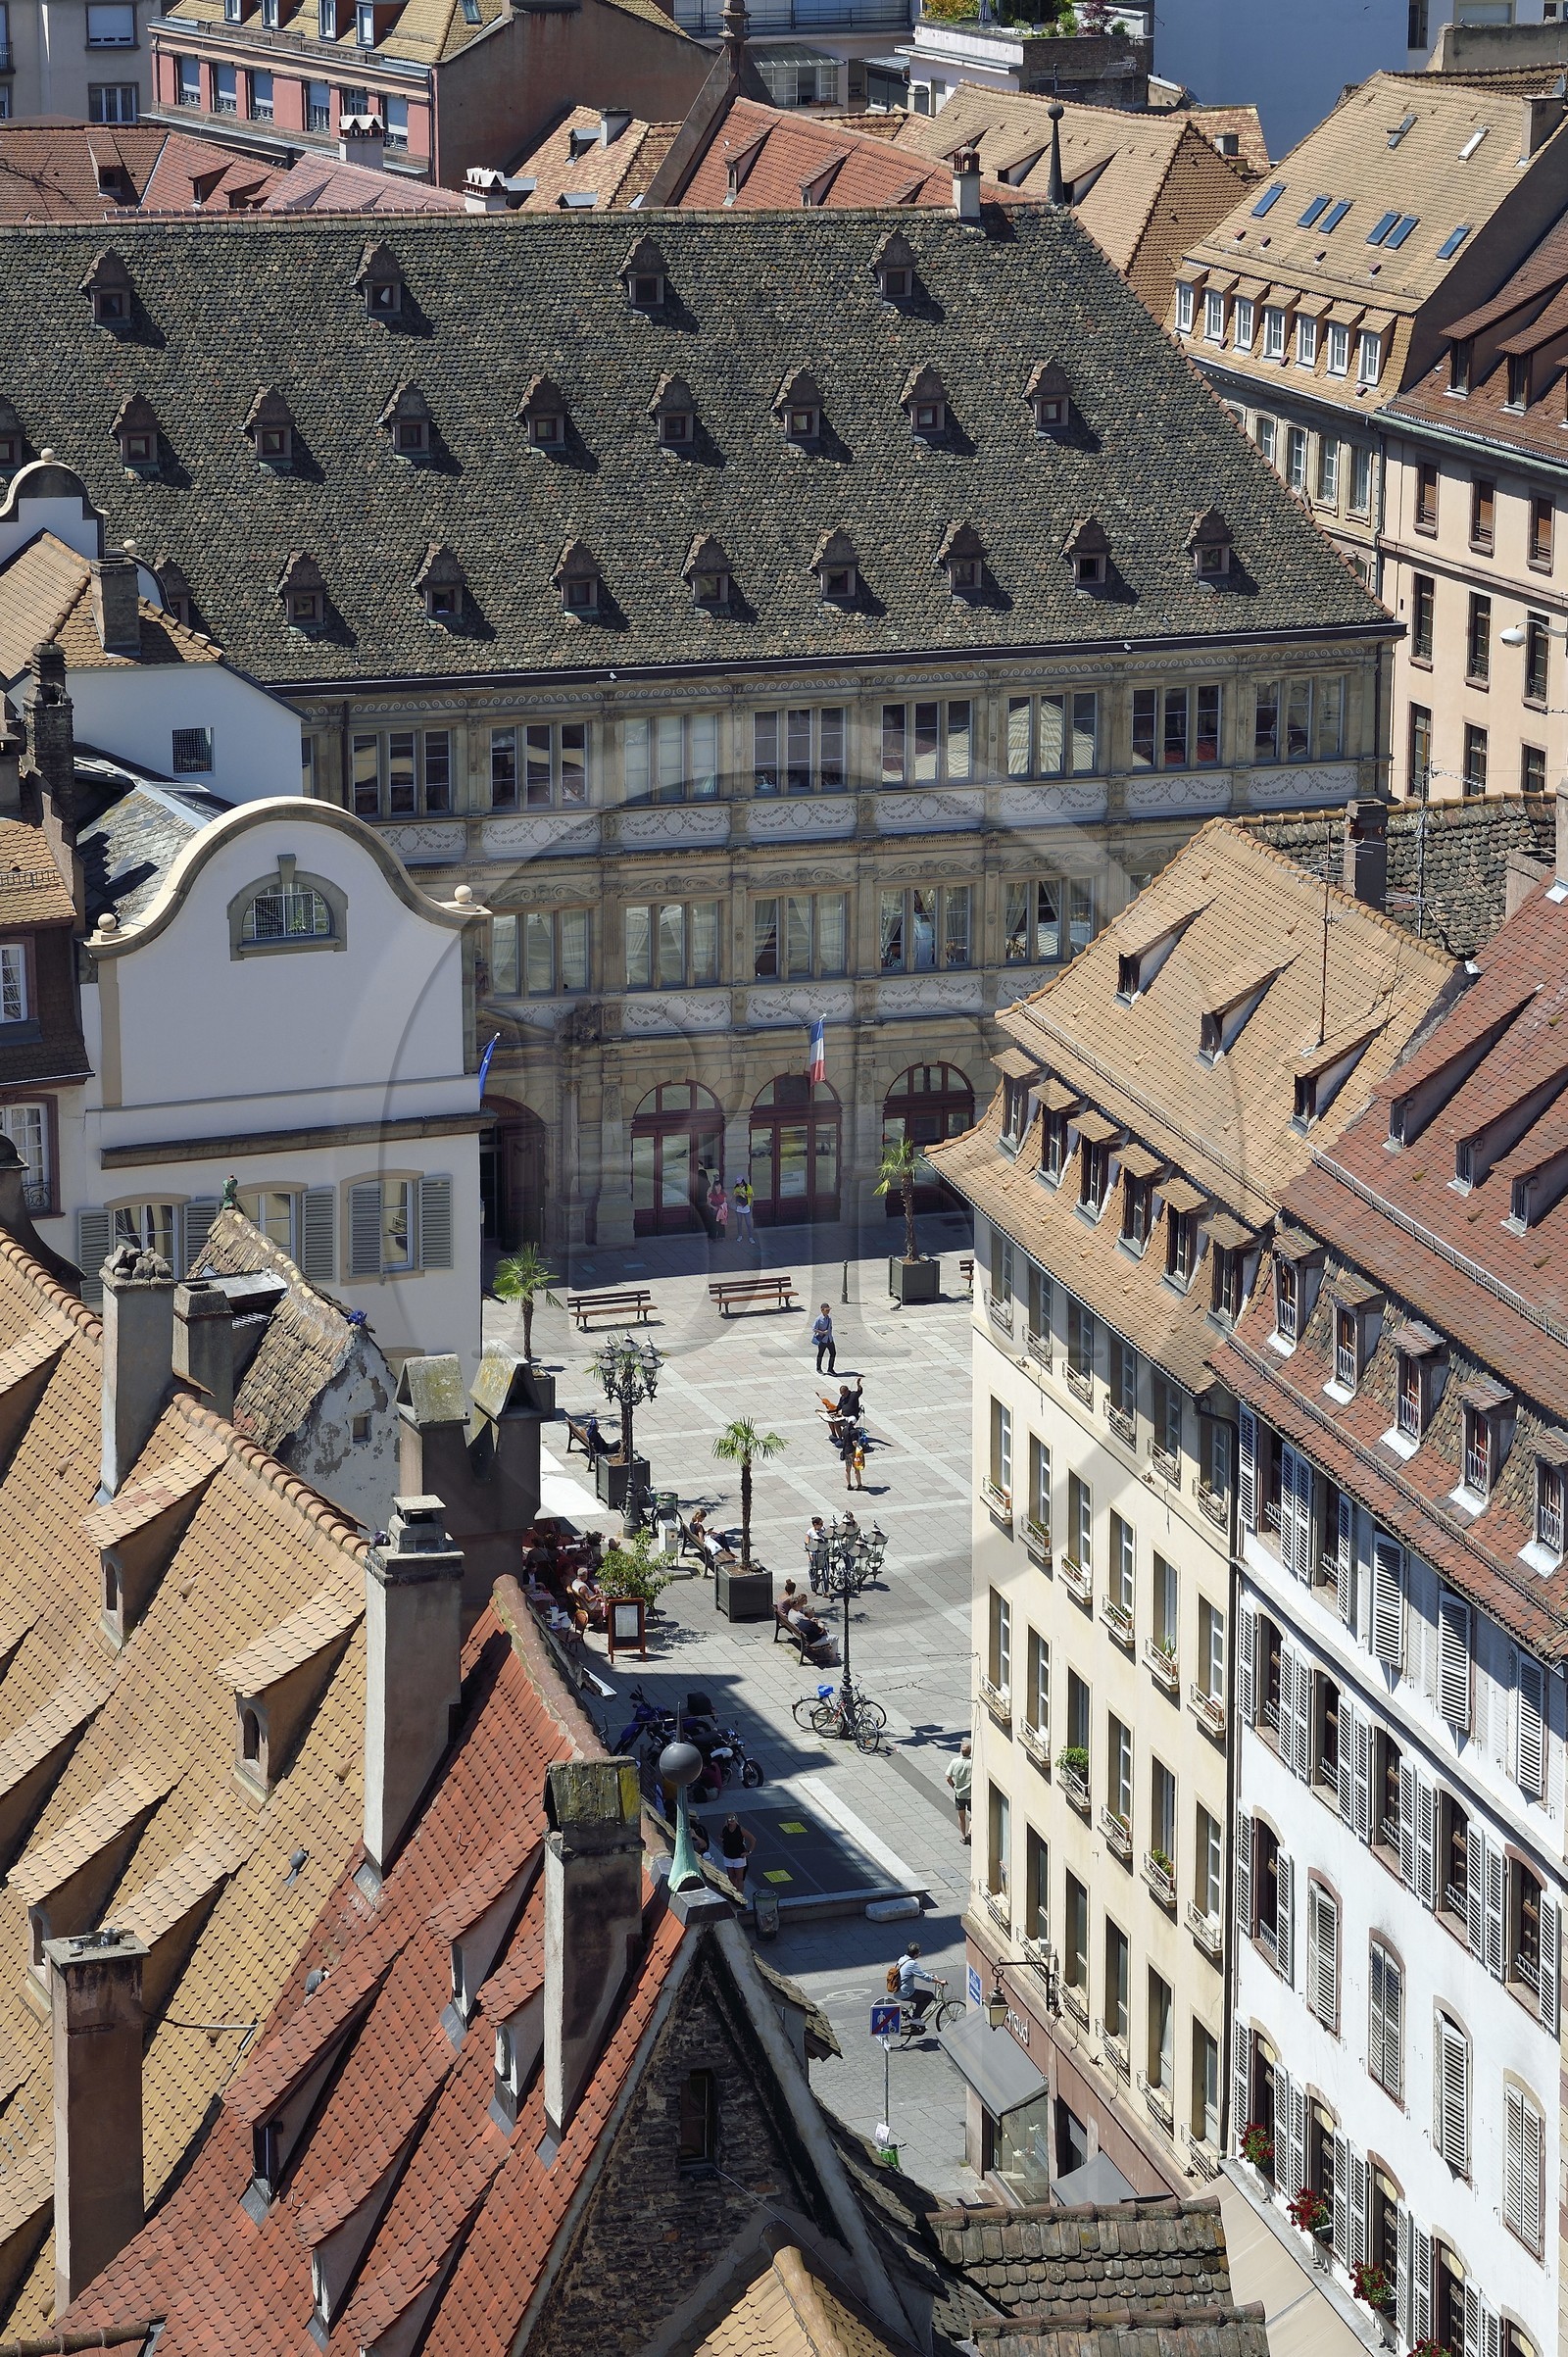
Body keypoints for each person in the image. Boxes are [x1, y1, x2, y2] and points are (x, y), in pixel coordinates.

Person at [896, 1940, 935, 2024]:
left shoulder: (902, 1959)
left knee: (920, 1997)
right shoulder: (912, 1964)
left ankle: (913, 2017)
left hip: (897, 1990)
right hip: (905, 1992)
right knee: (929, 1996)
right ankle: (916, 2019)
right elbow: (924, 1977)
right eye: (919, 1953)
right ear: (916, 1954)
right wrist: (939, 1981)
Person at [719, 1812, 757, 1893]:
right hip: (728, 1856)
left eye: (733, 1819)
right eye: (730, 1819)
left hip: (739, 1857)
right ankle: (734, 1894)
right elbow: (721, 1836)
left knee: (739, 1878)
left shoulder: (740, 1829)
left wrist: (748, 1852)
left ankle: (740, 1895)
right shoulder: (725, 1828)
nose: (731, 1821)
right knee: (731, 1877)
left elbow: (753, 1839)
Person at [947, 1738, 973, 1843]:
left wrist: (954, 1787)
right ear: (970, 1751)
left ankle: (963, 1836)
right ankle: (970, 1831)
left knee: (961, 1816)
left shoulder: (955, 1762)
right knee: (973, 1815)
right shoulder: (972, 1763)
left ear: (961, 1751)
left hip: (959, 1793)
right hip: (971, 1794)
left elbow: (948, 1777)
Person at [812, 1302, 836, 1375]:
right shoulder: (818, 1319)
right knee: (820, 1354)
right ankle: (819, 1368)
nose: (828, 1311)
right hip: (823, 1340)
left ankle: (830, 1369)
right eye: (827, 1310)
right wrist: (822, 1332)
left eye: (829, 1310)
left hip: (829, 1339)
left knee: (833, 1353)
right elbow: (814, 1329)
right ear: (822, 1310)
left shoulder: (829, 1318)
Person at [732, 1176, 755, 1241]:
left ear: (743, 1182)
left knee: (748, 1223)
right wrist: (738, 1194)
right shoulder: (737, 1188)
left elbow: (752, 1195)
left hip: (746, 1206)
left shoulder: (748, 1187)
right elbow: (734, 1195)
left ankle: (750, 1237)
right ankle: (740, 1235)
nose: (740, 1184)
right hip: (739, 1206)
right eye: (738, 1183)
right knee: (739, 1222)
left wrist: (744, 1194)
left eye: (740, 1183)